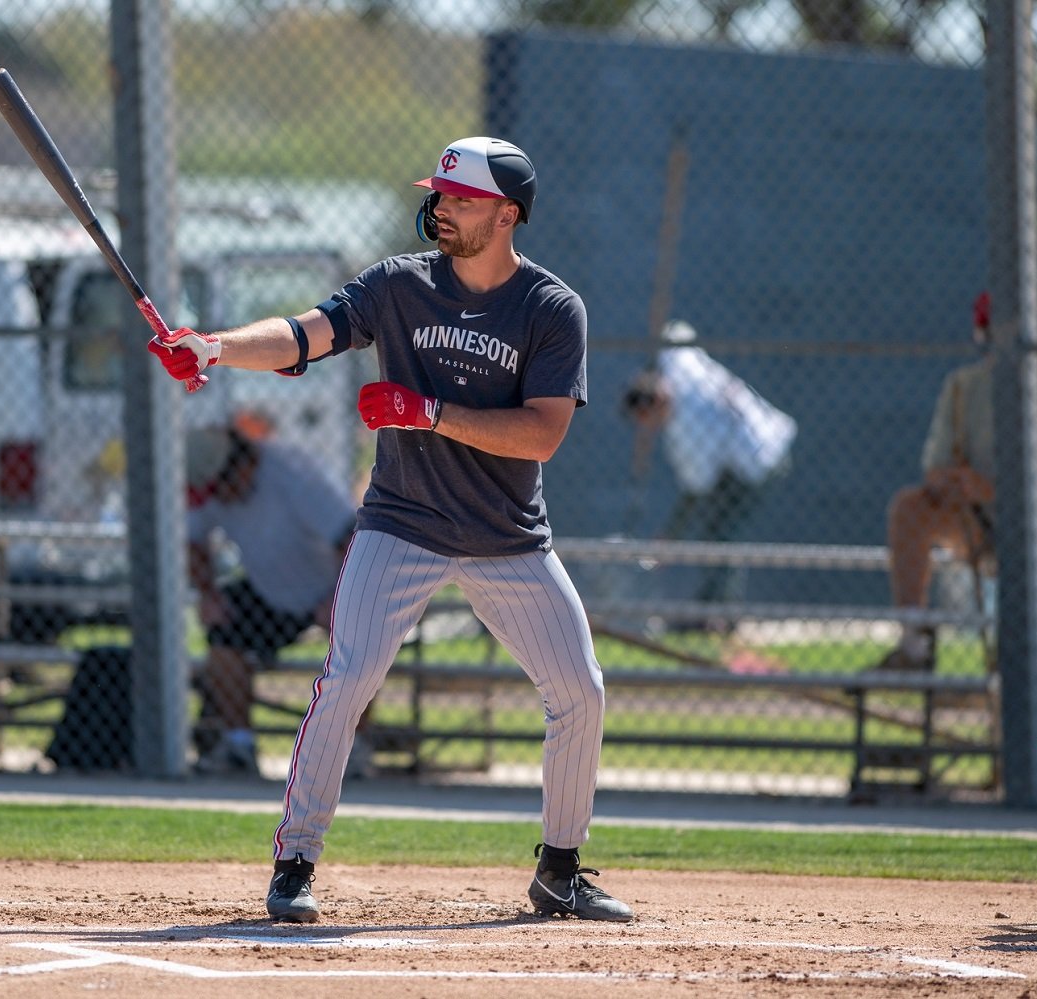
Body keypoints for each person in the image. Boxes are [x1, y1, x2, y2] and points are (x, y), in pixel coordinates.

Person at [148, 136, 634, 924]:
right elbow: (306, 332)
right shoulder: (398, 285)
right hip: (400, 522)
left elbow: (541, 434)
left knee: (580, 689)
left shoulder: (550, 308)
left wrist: (428, 411)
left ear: (507, 213)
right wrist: (215, 347)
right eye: (439, 195)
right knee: (346, 676)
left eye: (461, 199)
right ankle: (295, 861)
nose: (442, 208)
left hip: (506, 535)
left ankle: (560, 869)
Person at [873, 293, 1037, 685]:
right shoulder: (962, 387)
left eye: (1014, 333)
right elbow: (935, 469)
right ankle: (914, 645)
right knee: (909, 507)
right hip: (988, 521)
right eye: (995, 332)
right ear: (981, 334)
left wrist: (993, 489)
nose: (1005, 343)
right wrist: (954, 482)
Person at [184, 423, 361, 779]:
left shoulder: (292, 475)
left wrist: (337, 598)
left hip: (332, 587)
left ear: (243, 467)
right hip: (270, 592)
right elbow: (192, 542)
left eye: (220, 488)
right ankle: (239, 745)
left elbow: (354, 540)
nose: (217, 499)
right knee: (222, 635)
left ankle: (356, 749)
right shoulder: (213, 487)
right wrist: (208, 595)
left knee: (361, 641)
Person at [621, 319, 796, 606]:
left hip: (759, 460)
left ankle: (719, 611)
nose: (650, 428)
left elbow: (695, 490)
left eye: (647, 421)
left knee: (721, 532)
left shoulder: (686, 428)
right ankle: (714, 604)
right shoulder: (679, 364)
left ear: (651, 409)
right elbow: (676, 330)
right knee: (716, 530)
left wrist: (670, 535)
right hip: (762, 436)